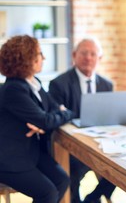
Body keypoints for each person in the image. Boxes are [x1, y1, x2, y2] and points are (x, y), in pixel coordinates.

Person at [0, 35, 73, 203]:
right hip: (10, 158)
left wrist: (51, 117)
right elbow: (46, 120)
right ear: (28, 59)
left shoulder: (33, 82)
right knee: (47, 193)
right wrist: (65, 113)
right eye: (40, 54)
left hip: (30, 151)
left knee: (62, 180)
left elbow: (51, 110)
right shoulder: (14, 89)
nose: (44, 58)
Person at [49, 37, 113, 203]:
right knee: (72, 172)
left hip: (102, 145)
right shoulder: (58, 84)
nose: (88, 58)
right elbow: (57, 119)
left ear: (100, 58)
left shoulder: (107, 85)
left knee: (122, 169)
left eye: (93, 54)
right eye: (84, 53)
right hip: (73, 147)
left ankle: (92, 198)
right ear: (74, 55)